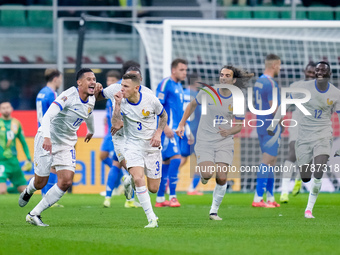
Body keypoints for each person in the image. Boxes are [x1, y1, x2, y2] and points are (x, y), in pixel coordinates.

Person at [18, 68, 97, 227]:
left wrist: (91, 131)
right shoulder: (68, 96)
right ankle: (29, 190)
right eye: (88, 79)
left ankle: (34, 214)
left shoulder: (91, 98)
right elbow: (47, 116)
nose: (93, 82)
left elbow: (88, 113)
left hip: (66, 143)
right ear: (79, 82)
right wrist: (47, 137)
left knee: (66, 181)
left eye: (94, 79)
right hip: (47, 138)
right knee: (41, 182)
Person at [176, 65, 253, 220]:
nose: (223, 77)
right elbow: (191, 106)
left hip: (224, 141)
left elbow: (238, 125)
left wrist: (229, 132)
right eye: (221, 74)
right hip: (205, 140)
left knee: (222, 177)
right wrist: (181, 124)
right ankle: (204, 177)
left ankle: (214, 211)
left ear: (233, 79)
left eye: (227, 75)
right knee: (206, 173)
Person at [271, 61, 340, 218]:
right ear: (308, 72)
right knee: (305, 174)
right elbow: (286, 103)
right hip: (301, 127)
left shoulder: (336, 93)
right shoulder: (299, 86)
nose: (316, 73)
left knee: (319, 170)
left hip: (323, 134)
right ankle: (297, 179)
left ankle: (308, 209)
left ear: (330, 74)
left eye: (322, 71)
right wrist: (274, 123)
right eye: (314, 71)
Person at [111, 73, 168, 228]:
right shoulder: (120, 102)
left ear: (136, 88)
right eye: (121, 85)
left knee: (153, 189)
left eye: (125, 86)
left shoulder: (151, 99)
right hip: (133, 146)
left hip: (152, 147)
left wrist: (158, 133)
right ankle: (151, 218)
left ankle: (129, 182)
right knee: (139, 178)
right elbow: (115, 124)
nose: (121, 89)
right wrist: (116, 105)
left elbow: (164, 116)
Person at [101, 66, 144, 209]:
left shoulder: (118, 91)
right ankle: (128, 199)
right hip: (121, 133)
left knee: (116, 163)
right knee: (127, 166)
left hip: (116, 132)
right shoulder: (122, 90)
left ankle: (109, 196)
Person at [280, 62, 316, 203]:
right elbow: (287, 103)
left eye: (314, 73)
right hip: (297, 124)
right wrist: (281, 117)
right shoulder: (297, 86)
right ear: (304, 71)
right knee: (292, 154)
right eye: (309, 72)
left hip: (313, 127)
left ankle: (298, 179)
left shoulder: (321, 89)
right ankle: (284, 192)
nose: (311, 75)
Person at [155, 58, 187, 208]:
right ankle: (173, 196)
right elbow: (157, 106)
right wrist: (165, 126)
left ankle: (160, 198)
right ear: (173, 70)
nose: (184, 72)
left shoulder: (179, 86)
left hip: (177, 130)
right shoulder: (165, 83)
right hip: (168, 130)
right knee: (176, 158)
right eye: (182, 69)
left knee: (166, 163)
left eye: (185, 70)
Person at [252, 54, 281, 208]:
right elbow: (274, 107)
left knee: (271, 161)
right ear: (275, 65)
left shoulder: (259, 81)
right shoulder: (270, 83)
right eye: (280, 65)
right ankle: (258, 198)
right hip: (271, 126)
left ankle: (270, 197)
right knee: (267, 161)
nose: (280, 68)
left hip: (261, 124)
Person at [36, 69, 63, 205]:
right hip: (49, 133)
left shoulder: (41, 93)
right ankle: (48, 198)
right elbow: (55, 116)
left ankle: (45, 196)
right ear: (55, 79)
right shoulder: (52, 94)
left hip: (40, 131)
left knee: (47, 165)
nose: (61, 81)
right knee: (52, 166)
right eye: (60, 78)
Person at [0, 101, 32, 194]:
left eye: (7, 107)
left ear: (11, 109)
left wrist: (28, 158)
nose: (6, 110)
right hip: (1, 162)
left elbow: (23, 143)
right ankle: (4, 190)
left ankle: (9, 191)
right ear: (0, 110)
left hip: (14, 162)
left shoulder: (16, 123)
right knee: (2, 191)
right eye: (3, 108)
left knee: (25, 191)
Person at [181, 73, 202, 196]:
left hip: (182, 130)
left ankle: (168, 181)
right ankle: (192, 188)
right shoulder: (198, 96)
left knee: (181, 159)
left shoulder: (181, 93)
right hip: (195, 132)